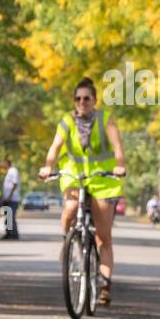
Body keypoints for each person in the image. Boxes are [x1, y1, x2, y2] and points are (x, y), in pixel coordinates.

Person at [38, 77, 127, 305]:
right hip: (74, 177)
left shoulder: (105, 119)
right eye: (78, 98)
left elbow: (117, 147)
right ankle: (68, 241)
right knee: (69, 208)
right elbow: (55, 147)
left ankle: (105, 284)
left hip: (102, 180)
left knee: (102, 236)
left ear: (95, 100)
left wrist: (119, 165)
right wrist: (48, 165)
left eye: (87, 98)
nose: (82, 102)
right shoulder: (67, 121)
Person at [0, 157, 21, 239]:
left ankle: (14, 234)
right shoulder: (9, 172)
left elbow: (15, 184)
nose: (1, 165)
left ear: (7, 163)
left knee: (11, 216)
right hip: (8, 199)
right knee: (8, 216)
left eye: (3, 163)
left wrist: (9, 196)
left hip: (12, 199)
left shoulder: (13, 171)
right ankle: (8, 233)